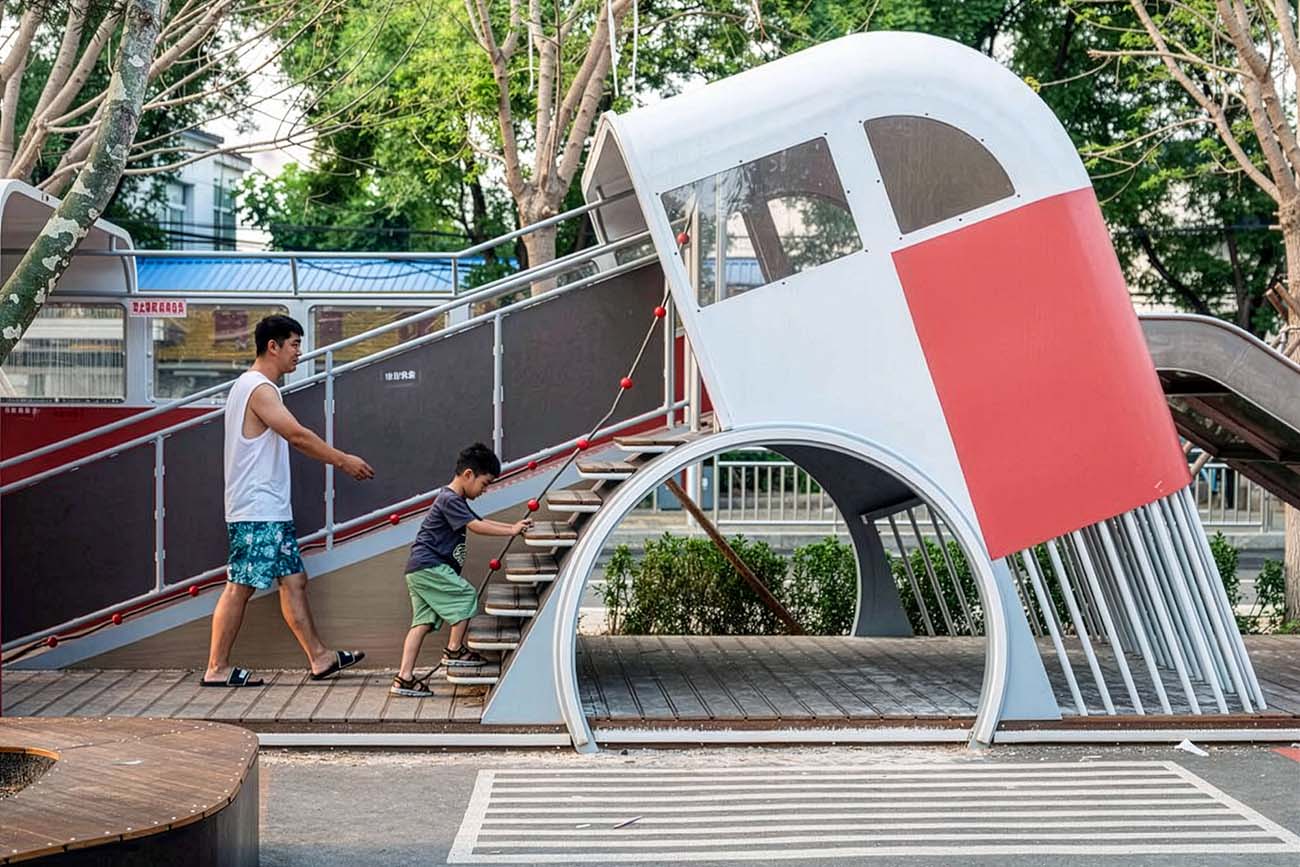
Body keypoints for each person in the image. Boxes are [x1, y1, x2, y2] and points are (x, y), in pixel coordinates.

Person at [202, 315, 376, 687]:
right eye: (295, 344)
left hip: (266, 508)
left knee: (294, 581)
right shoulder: (259, 388)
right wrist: (343, 460)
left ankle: (320, 658)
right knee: (240, 585)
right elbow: (297, 436)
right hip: (257, 509)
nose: (299, 352)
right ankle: (216, 668)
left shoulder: (248, 386)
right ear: (273, 346)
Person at [390, 443, 532, 697]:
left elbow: (480, 521)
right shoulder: (449, 499)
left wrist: (512, 526)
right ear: (468, 475)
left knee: (422, 622)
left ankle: (404, 678)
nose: (484, 490)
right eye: (485, 483)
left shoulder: (454, 499)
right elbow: (476, 527)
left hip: (419, 569)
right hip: (430, 566)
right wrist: (511, 530)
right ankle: (454, 649)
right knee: (466, 595)